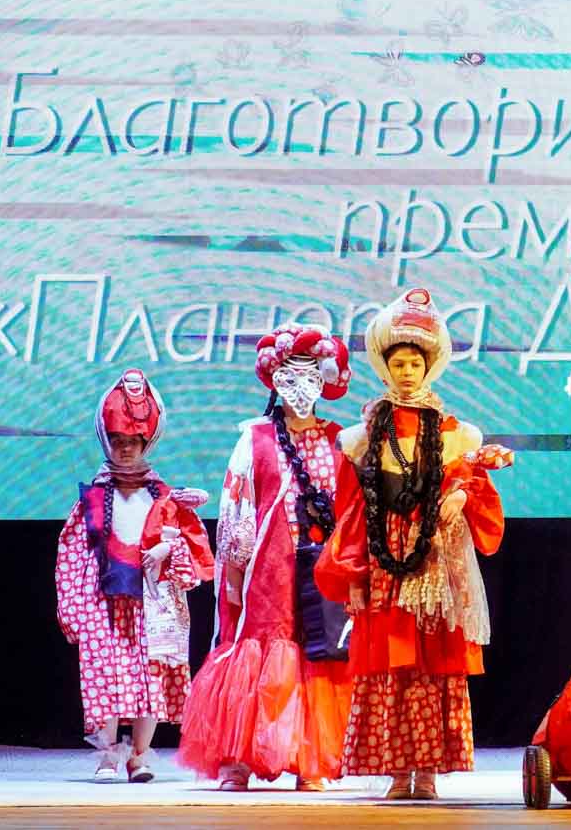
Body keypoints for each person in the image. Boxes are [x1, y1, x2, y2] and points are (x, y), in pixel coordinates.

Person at [316, 287, 511, 800]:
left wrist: (463, 494)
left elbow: (474, 485)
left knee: (430, 661)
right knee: (389, 661)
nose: (407, 372)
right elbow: (351, 513)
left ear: (429, 368)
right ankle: (396, 770)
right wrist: (354, 575)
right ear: (385, 367)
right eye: (398, 363)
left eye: (415, 363)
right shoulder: (361, 437)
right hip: (385, 562)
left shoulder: (454, 433)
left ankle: (427, 771)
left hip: (434, 562)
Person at [177, 323, 354, 791]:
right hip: (268, 566)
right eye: (290, 377)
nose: (301, 389)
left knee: (319, 647)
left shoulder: (339, 439)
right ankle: (239, 757)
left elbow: (350, 508)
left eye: (310, 377)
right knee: (258, 645)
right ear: (275, 380)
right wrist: (235, 570)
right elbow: (237, 508)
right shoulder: (254, 438)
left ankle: (310, 759)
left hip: (322, 564)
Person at [55, 368, 213, 782]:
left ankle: (139, 758)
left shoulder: (163, 495)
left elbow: (191, 546)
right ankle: (108, 757)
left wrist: (167, 548)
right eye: (119, 441)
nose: (126, 450)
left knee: (150, 680)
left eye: (133, 442)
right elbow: (72, 552)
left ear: (146, 443)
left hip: (152, 603)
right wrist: (72, 608)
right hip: (104, 602)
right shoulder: (93, 498)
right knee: (106, 676)